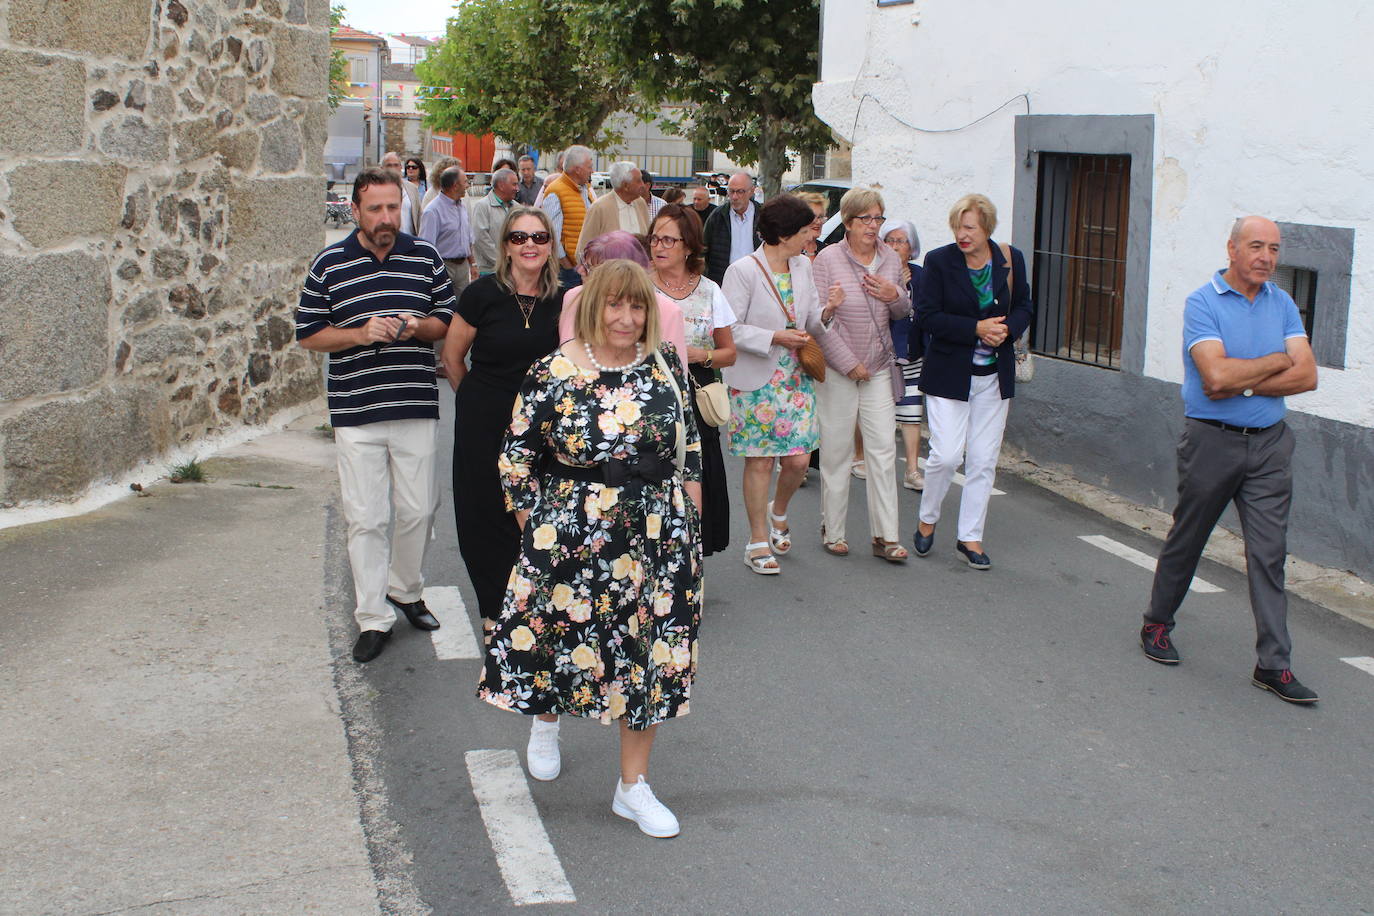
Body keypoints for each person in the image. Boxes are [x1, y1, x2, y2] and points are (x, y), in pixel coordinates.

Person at [478, 259, 704, 839]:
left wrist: (690, 526)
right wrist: (539, 528)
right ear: (593, 307)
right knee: (557, 636)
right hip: (570, 531)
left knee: (650, 656)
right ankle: (546, 720)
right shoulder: (552, 370)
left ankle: (633, 787)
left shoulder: (665, 364)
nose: (626, 318)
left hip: (656, 535)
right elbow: (516, 459)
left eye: (637, 306)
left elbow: (690, 449)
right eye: (614, 305)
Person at [1140, 216, 1319, 703]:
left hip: (1270, 444)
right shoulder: (1203, 302)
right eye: (1256, 246)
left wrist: (1245, 382)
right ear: (1232, 249)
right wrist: (1275, 361)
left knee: (1269, 554)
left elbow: (1307, 376)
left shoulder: (1283, 304)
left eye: (1274, 249)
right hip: (1211, 442)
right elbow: (1213, 378)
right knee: (1189, 538)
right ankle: (1157, 623)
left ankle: (1273, 664)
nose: (1266, 257)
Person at [295, 167, 454, 662]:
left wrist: (416, 326)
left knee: (419, 509)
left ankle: (404, 589)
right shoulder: (329, 264)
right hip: (356, 409)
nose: (386, 217)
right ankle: (372, 616)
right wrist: (360, 334)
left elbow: (445, 319)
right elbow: (308, 333)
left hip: (413, 402)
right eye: (375, 209)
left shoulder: (424, 257)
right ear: (355, 211)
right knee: (365, 518)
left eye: (393, 207)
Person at [441, 206, 563, 638]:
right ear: (506, 246)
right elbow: (452, 359)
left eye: (539, 237)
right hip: (484, 421)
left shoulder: (565, 298)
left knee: (539, 513)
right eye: (519, 237)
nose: (530, 244)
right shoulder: (481, 294)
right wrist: (477, 404)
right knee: (485, 513)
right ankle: (494, 608)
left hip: (542, 427)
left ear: (550, 245)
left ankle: (534, 604)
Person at [912, 194, 1033, 571]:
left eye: (970, 228)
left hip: (994, 377)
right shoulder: (939, 261)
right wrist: (975, 329)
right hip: (949, 374)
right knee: (946, 455)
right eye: (958, 227)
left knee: (982, 460)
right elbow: (927, 316)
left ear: (987, 229)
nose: (962, 235)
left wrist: (1007, 330)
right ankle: (928, 518)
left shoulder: (1009, 259)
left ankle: (970, 537)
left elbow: (1025, 306)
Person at [721, 194, 825, 575]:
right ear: (783, 235)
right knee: (761, 460)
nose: (811, 237)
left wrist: (828, 312)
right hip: (756, 380)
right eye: (805, 231)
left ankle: (777, 510)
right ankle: (757, 541)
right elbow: (729, 328)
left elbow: (811, 317)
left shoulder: (804, 266)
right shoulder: (742, 271)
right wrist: (774, 337)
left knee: (798, 460)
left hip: (796, 377)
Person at [812, 187, 911, 562]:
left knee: (883, 451)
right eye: (865, 218)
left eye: (878, 218)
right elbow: (818, 321)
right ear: (848, 222)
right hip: (840, 371)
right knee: (837, 453)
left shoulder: (890, 259)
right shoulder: (827, 259)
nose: (873, 225)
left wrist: (893, 295)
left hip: (879, 369)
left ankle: (886, 536)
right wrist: (847, 362)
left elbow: (902, 311)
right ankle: (833, 530)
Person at [648, 203, 738, 557]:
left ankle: (690, 563)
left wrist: (703, 355)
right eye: (655, 238)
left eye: (668, 240)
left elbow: (729, 353)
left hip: (695, 390)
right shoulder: (639, 287)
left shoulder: (709, 290)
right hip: (650, 391)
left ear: (688, 246)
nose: (659, 246)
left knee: (696, 474)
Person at [558, 231, 688, 363]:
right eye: (584, 263)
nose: (580, 270)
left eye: (590, 268)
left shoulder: (668, 311)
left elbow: (674, 369)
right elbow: (566, 357)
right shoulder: (575, 298)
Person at [882, 219, 926, 491]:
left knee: (912, 414)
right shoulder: (877, 274)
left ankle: (912, 470)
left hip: (911, 353)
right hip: (883, 357)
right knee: (881, 417)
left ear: (912, 248)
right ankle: (876, 467)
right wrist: (896, 286)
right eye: (890, 240)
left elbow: (926, 311)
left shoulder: (921, 276)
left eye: (901, 241)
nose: (895, 246)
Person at [419, 165, 476, 298]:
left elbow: (467, 239)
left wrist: (473, 264)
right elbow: (426, 248)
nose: (467, 186)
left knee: (463, 306)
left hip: (462, 269)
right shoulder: (432, 211)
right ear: (455, 186)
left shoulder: (462, 206)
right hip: (443, 267)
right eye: (465, 182)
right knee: (443, 304)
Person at [541, 145, 594, 288]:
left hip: (585, 267)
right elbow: (552, 234)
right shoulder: (555, 192)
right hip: (568, 270)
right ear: (578, 169)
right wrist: (567, 265)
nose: (592, 171)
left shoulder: (585, 189)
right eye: (589, 167)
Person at [575, 161, 648, 260]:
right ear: (626, 186)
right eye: (639, 181)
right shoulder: (599, 208)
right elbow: (583, 250)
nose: (643, 185)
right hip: (610, 269)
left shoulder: (640, 204)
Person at [703, 170, 760, 285]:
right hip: (724, 281)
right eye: (731, 191)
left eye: (740, 192)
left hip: (757, 281)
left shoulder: (764, 216)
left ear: (751, 191)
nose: (734, 197)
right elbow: (703, 249)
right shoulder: (717, 216)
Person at [470, 166, 519, 276]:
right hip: (490, 271)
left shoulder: (517, 208)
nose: (517, 188)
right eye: (514, 184)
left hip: (513, 270)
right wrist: (502, 262)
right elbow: (480, 238)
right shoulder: (483, 206)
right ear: (501, 186)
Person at [380, 151, 423, 236]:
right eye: (389, 165)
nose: (393, 168)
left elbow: (419, 218)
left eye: (396, 165)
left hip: (409, 239)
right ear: (382, 168)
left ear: (401, 167)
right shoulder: (375, 190)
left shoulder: (411, 189)